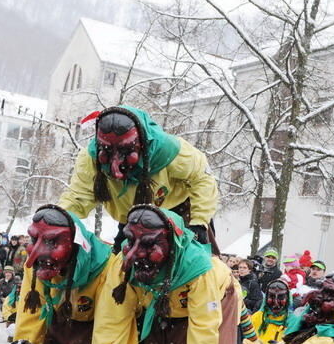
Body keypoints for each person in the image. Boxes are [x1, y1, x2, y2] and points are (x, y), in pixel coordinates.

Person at [89, 205, 239, 344]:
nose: (135, 254)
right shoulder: (123, 266)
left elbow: (204, 327)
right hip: (163, 307)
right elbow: (110, 322)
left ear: (172, 243)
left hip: (217, 303)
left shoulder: (200, 270)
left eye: (148, 243)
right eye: (130, 240)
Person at [58, 106, 219, 248]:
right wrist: (59, 221)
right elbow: (78, 197)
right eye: (107, 151)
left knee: (193, 270)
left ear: (141, 143)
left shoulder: (173, 151)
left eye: (125, 151)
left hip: (180, 216)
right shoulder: (90, 159)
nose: (116, 166)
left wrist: (199, 223)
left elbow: (203, 180)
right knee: (121, 272)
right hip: (131, 219)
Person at [15, 205, 112, 344]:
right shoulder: (36, 264)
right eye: (33, 239)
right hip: (54, 342)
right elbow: (30, 315)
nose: (36, 253)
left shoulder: (109, 268)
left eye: (52, 241)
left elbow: (110, 328)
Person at [251, 278, 291, 344]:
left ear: (287, 298)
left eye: (281, 297)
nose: (276, 302)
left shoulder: (292, 321)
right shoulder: (256, 317)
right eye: (271, 296)